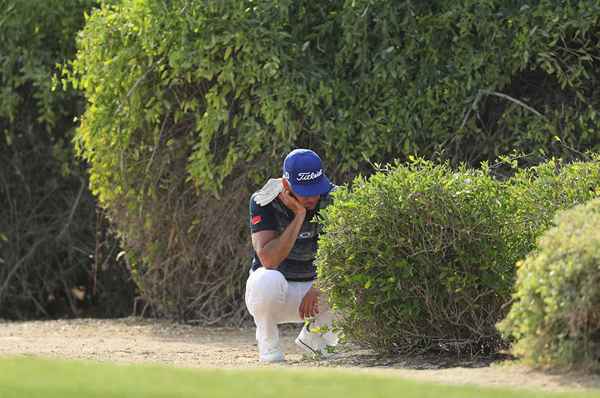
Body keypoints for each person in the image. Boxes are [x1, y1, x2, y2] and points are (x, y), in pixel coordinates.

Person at [244, 148, 339, 363]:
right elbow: (269, 260)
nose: (313, 196)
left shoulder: (335, 198)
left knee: (355, 281)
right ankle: (269, 346)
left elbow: (348, 256)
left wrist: (320, 285)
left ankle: (315, 341)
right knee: (265, 279)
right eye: (305, 191)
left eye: (317, 188)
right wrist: (299, 216)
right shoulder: (263, 200)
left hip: (315, 293)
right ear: (286, 186)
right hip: (279, 293)